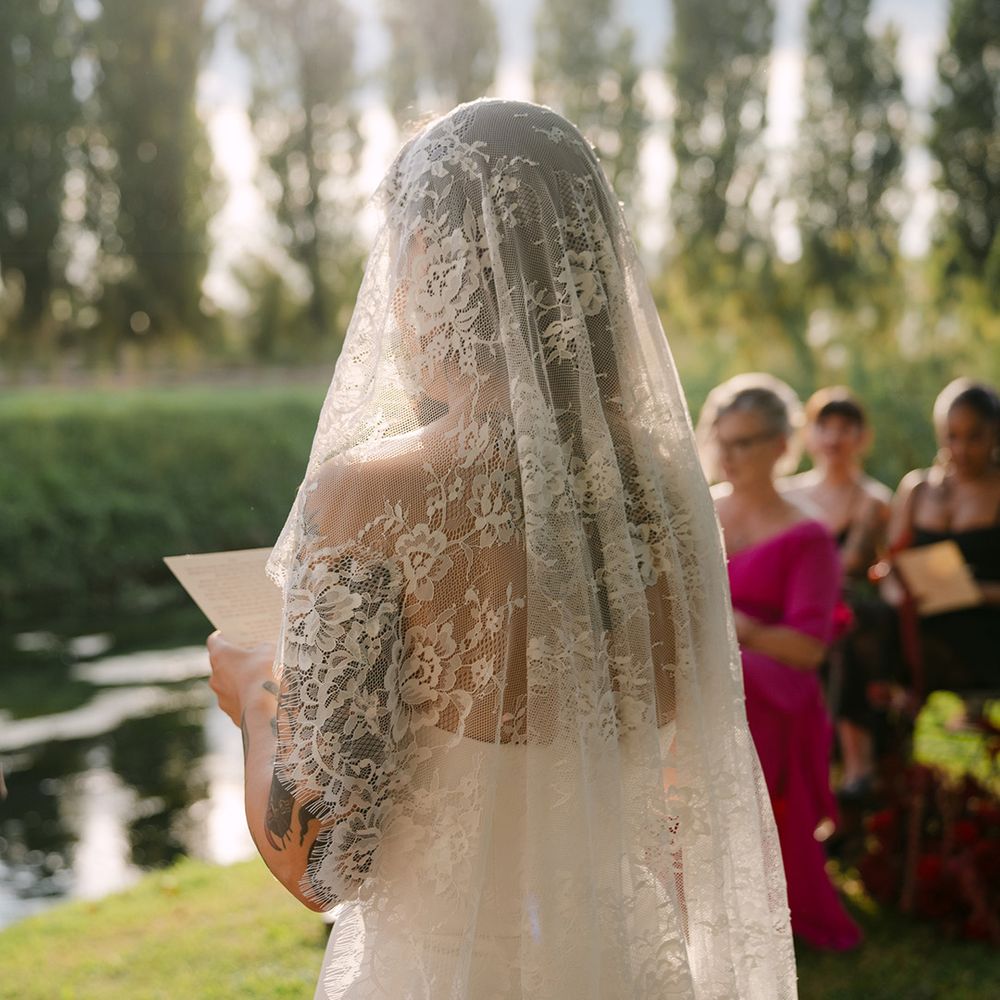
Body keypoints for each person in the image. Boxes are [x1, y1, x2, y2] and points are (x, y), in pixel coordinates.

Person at [207, 100, 797, 999]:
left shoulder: (369, 495)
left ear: (430, 261)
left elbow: (321, 863)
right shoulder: (670, 487)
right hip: (628, 963)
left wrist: (256, 694)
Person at [697, 373, 862, 952]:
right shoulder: (699, 510)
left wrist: (738, 629)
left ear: (780, 445)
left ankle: (746, 896)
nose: (729, 455)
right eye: (723, 441)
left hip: (776, 684)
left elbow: (808, 649)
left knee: (733, 693)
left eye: (745, 442)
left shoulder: (808, 535)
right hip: (702, 670)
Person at [781, 388, 894, 799]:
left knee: (846, 625)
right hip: (787, 606)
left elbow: (850, 566)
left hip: (843, 609)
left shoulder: (874, 500)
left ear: (863, 437)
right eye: (824, 426)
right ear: (808, 435)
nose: (833, 437)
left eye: (845, 427)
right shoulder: (786, 494)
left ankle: (856, 763)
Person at [885, 378, 1000, 694]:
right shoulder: (917, 489)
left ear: (995, 432)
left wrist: (970, 591)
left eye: (974, 437)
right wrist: (897, 598)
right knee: (864, 625)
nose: (961, 450)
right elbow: (889, 566)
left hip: (984, 625)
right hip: (916, 621)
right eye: (952, 436)